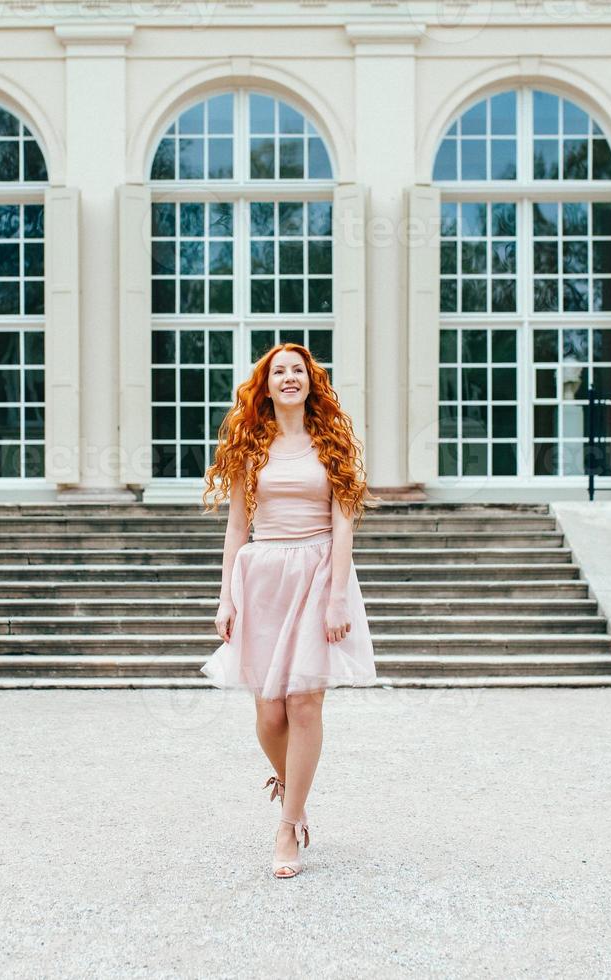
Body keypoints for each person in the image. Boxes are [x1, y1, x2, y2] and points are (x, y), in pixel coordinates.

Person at [199, 342, 379, 879]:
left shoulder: (334, 445)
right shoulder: (249, 447)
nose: (289, 378)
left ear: (311, 380)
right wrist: (226, 594)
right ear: (267, 384)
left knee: (304, 705)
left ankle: (288, 824)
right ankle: (290, 785)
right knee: (269, 713)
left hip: (320, 571)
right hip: (264, 578)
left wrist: (338, 595)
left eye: (298, 370)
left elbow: (344, 523)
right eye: (279, 371)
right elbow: (236, 527)